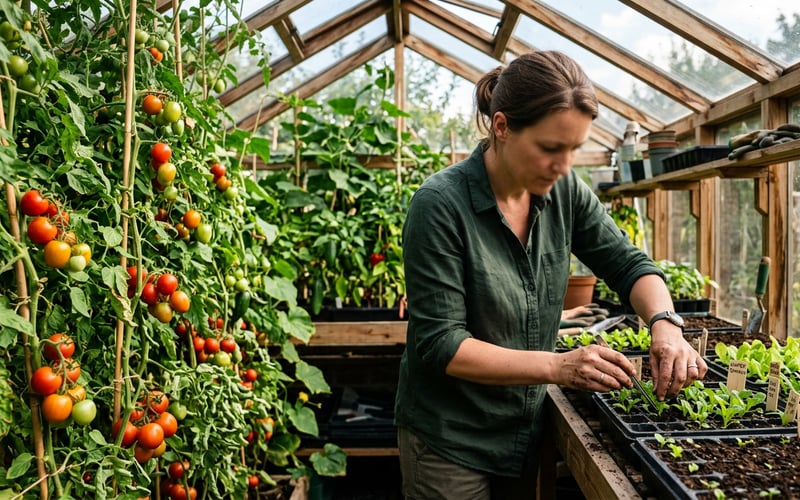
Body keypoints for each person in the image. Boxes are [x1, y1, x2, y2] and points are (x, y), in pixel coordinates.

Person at [394, 50, 708, 500]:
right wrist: (559, 366)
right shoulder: (440, 205)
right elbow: (441, 344)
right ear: (501, 127)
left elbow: (628, 264)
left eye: (573, 149)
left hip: (525, 430)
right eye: (549, 148)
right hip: (451, 440)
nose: (564, 166)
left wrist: (666, 324)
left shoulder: (563, 191)